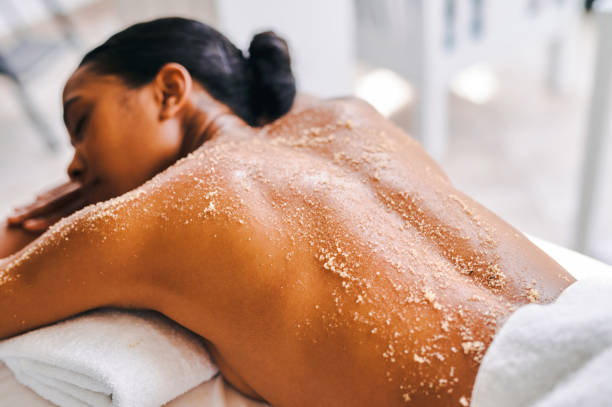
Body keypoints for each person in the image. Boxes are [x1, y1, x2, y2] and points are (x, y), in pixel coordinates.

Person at [0, 17, 573, 406]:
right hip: (587, 337)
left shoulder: (161, 211)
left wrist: (40, 221)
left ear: (171, 90)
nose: (73, 169)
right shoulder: (350, 116)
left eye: (82, 125)